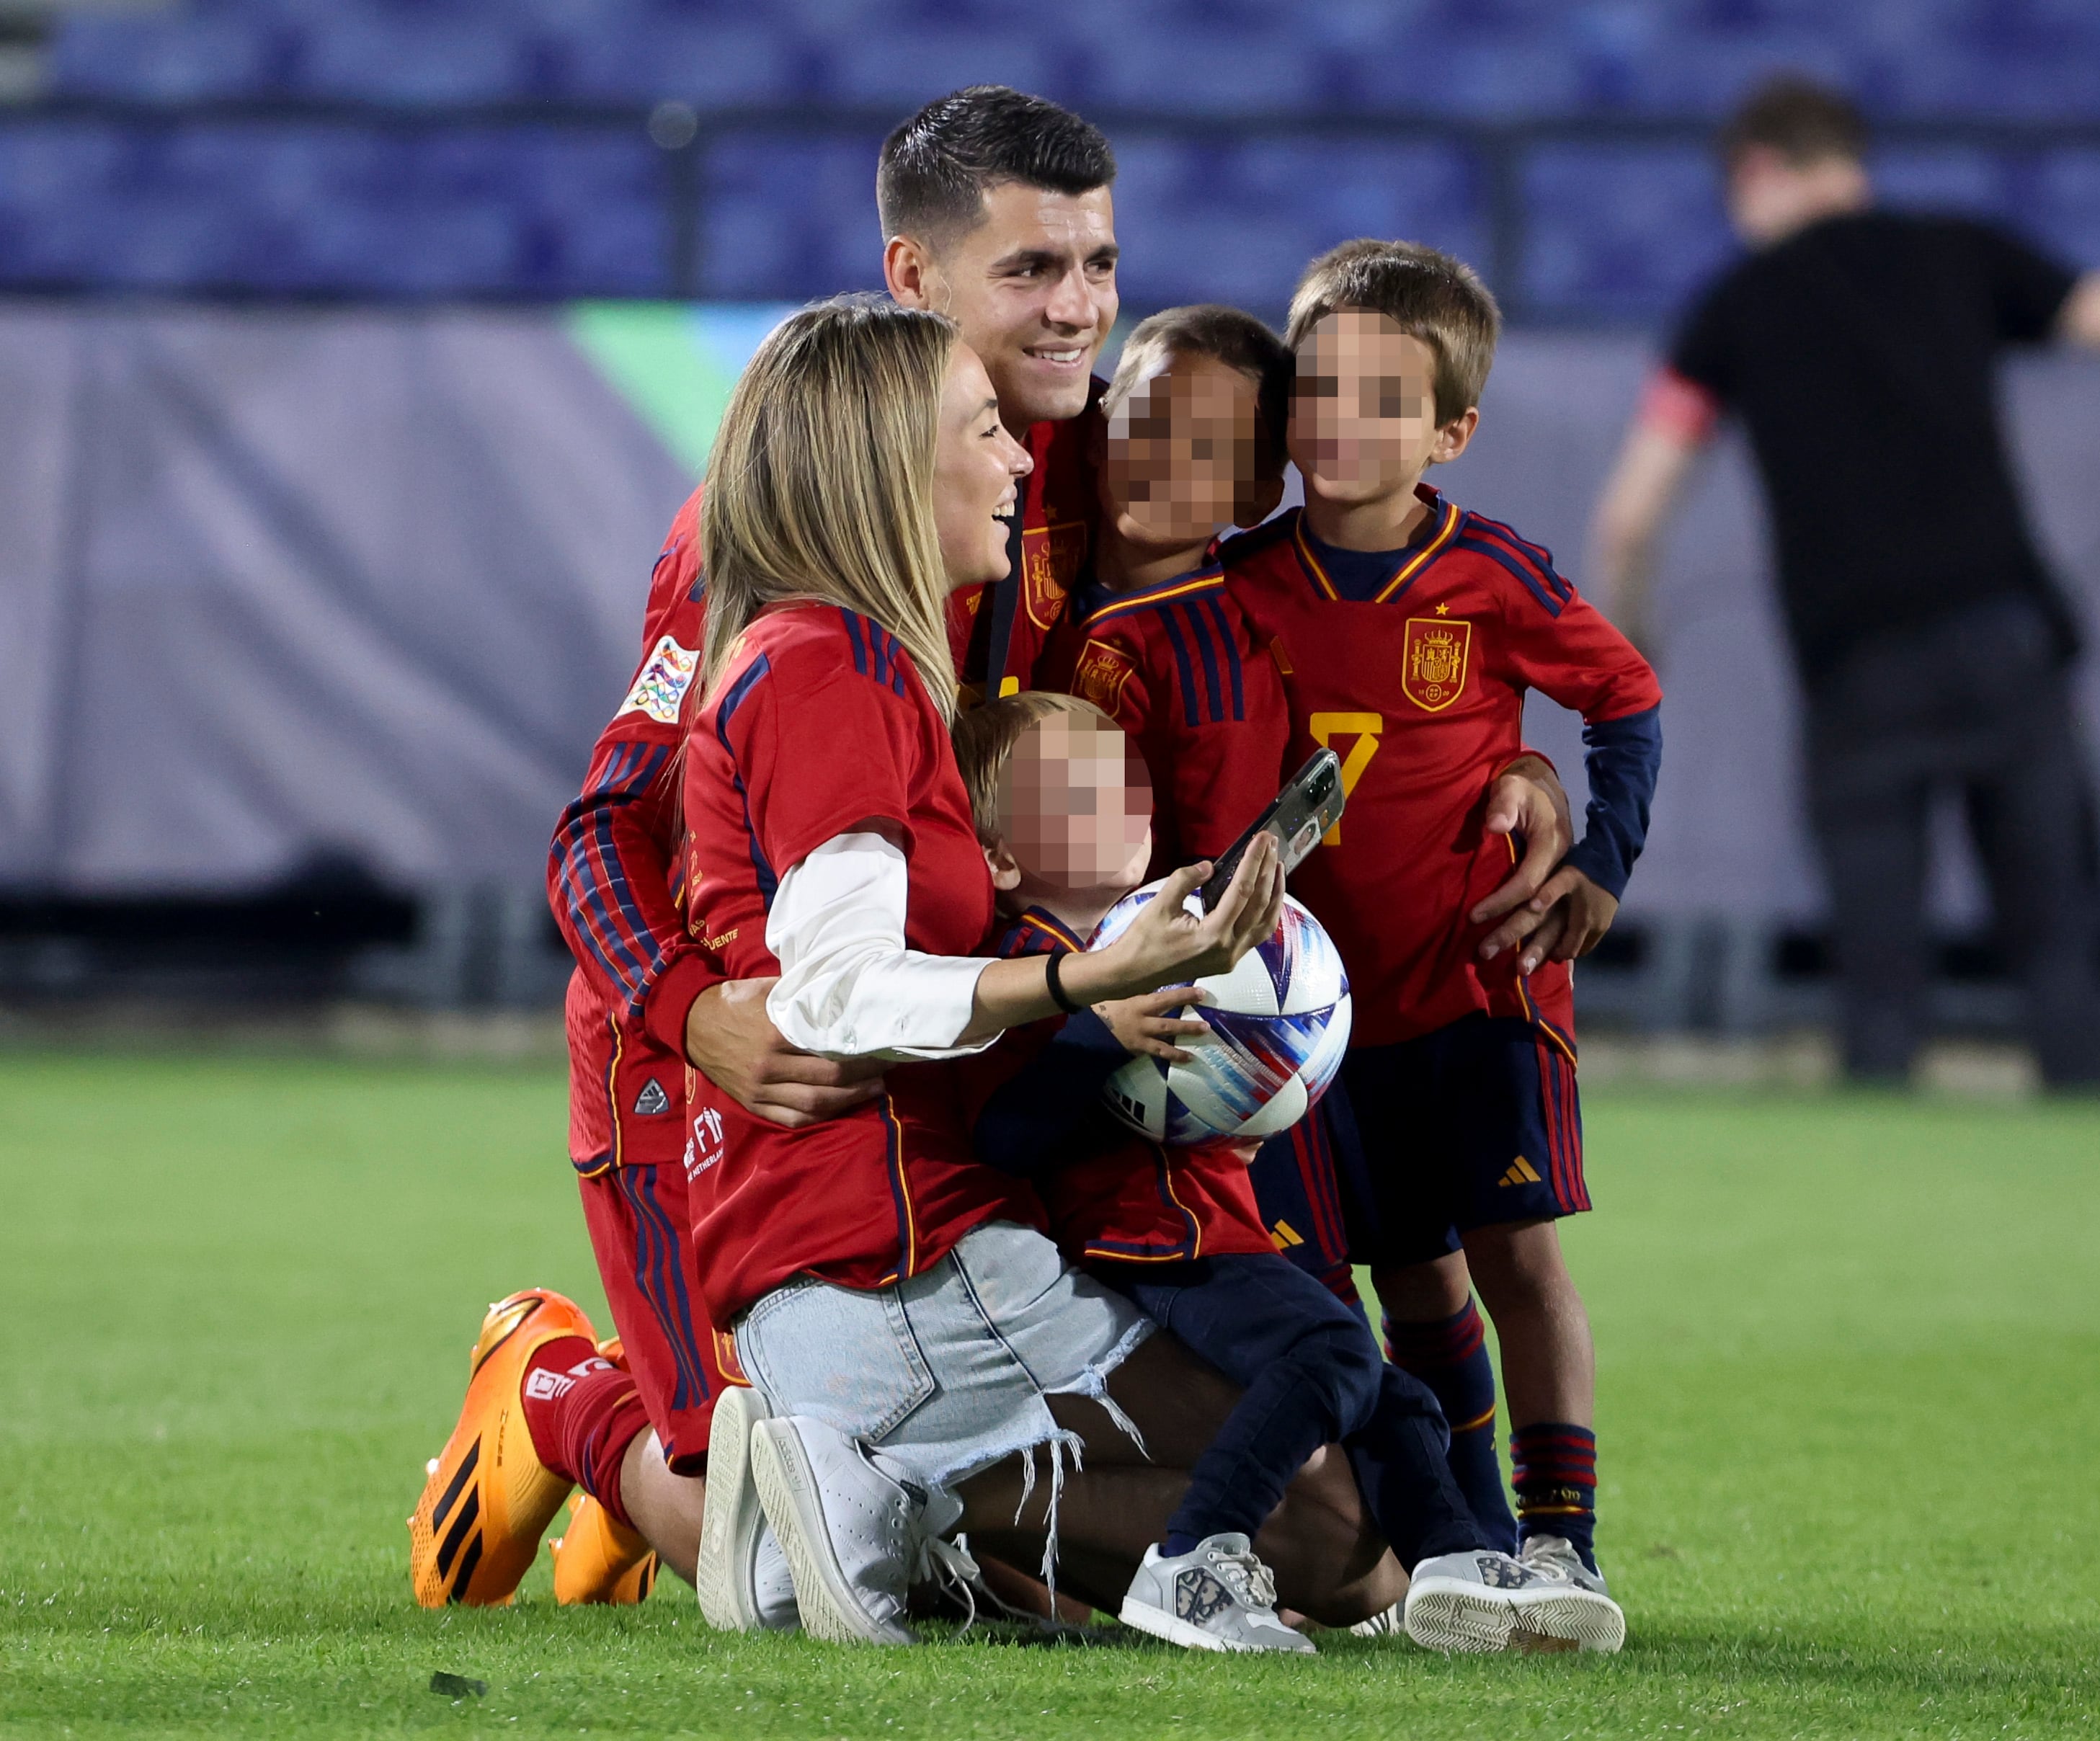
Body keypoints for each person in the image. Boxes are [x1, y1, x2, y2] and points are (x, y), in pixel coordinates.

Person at [409, 86, 1130, 1612]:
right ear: (913, 278)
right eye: (1030, 271)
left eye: (1097, 264)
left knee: (984, 1520)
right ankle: (565, 1394)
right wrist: (697, 1014)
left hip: (918, 1017)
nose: (1078, 308)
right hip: (719, 1052)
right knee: (783, 1552)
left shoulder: (1075, 478)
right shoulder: (762, 529)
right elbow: (604, 825)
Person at [679, 295, 1404, 1646]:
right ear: (887, 462)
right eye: (981, 432)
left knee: (1329, 1527)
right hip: (899, 1257)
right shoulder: (832, 667)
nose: (1021, 459)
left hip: (860, 1259)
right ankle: (879, 1490)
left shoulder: (833, 656)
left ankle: (867, 1493)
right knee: (1337, 1529)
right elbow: (831, 992)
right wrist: (1082, 985)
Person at [1590, 75, 2100, 1091]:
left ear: (1756, 172)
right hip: (2005, 642)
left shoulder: (1732, 305)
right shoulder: (1959, 249)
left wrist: (1631, 631)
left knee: (1879, 976)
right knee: (2060, 945)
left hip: (1857, 673)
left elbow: (1630, 511)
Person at [951, 690, 1626, 1654]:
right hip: (1139, 1255)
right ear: (1004, 860)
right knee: (1339, 1354)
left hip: (1216, 1233)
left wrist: (1246, 1096)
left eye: (1124, 779)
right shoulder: (1026, 964)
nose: (1123, 798)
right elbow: (1006, 1136)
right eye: (1078, 788)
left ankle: (1459, 1573)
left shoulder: (1175, 935)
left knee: (1403, 1402)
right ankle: (1193, 1558)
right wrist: (1095, 1037)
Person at [1062, 303, 1583, 1544]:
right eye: (1137, 417)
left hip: (1208, 1021)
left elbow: (1251, 851)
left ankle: (1475, 1546)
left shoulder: (1218, 628)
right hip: (1096, 1006)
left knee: (1356, 1287)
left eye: (1205, 446)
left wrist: (1529, 774)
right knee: (1388, 1277)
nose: (1151, 457)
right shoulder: (1059, 554)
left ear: (1253, 484)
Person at [1222, 239, 1665, 1644]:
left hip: (1477, 982)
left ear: (1449, 430)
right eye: (1318, 390)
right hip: (1310, 1015)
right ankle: (1461, 1543)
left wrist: (1600, 853)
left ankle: (1563, 1539)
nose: (1338, 424)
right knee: (1391, 1279)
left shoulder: (1486, 574)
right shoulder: (1237, 581)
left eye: (1382, 399)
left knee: (1512, 1255)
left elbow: (1626, 694)